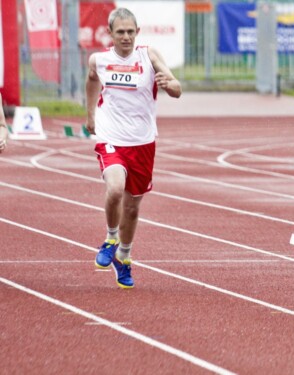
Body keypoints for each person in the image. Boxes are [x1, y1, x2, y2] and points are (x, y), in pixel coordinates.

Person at [86, 8, 182, 288]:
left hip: (142, 142)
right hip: (110, 135)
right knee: (115, 188)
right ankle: (110, 238)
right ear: (111, 34)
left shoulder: (149, 56)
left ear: (137, 33)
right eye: (120, 32)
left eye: (130, 32)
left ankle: (124, 257)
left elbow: (176, 87)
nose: (126, 37)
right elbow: (92, 78)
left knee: (132, 207)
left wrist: (170, 85)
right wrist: (91, 114)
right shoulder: (100, 59)